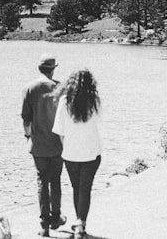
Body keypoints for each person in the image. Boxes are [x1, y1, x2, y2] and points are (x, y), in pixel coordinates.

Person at [21, 53, 67, 237]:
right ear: (53, 69)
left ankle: (44, 225)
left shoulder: (30, 88)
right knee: (55, 181)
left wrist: (27, 135)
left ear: (39, 68)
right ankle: (56, 217)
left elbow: (26, 118)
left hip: (38, 144)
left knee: (42, 181)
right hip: (57, 143)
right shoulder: (61, 87)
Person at [52, 68, 102, 239]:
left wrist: (66, 147)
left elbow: (59, 130)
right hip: (91, 152)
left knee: (76, 188)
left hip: (70, 153)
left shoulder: (65, 101)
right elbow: (99, 119)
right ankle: (81, 223)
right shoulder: (95, 101)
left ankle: (79, 222)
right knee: (85, 189)